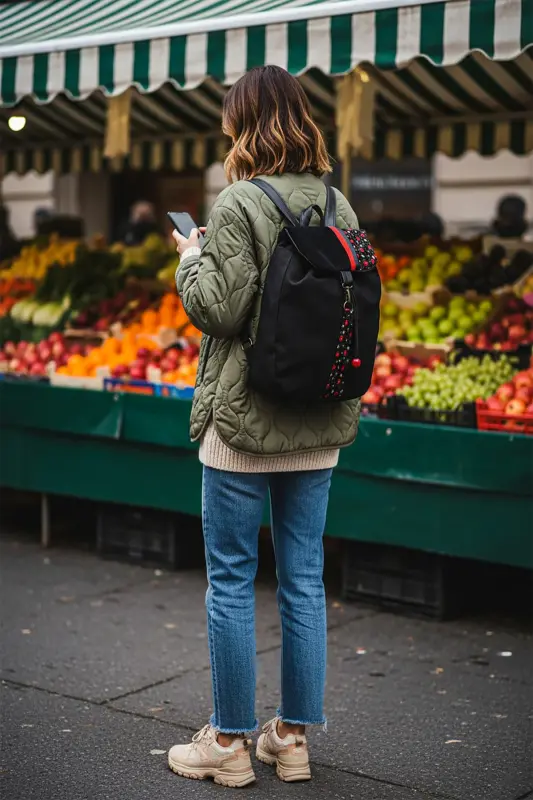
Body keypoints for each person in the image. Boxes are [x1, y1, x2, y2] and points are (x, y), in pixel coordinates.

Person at [169, 65, 361, 787]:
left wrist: (190, 261)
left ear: (243, 125)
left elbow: (217, 310)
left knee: (230, 578)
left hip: (244, 423)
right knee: (304, 579)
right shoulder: (339, 205)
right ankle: (291, 737)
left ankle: (227, 741)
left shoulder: (239, 202)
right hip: (317, 421)